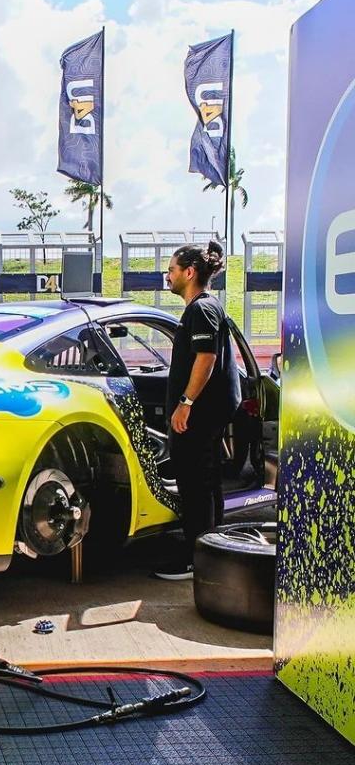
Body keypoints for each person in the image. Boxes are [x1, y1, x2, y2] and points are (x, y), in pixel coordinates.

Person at [153, 241, 241, 581]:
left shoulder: (202, 309)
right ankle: (210, 550)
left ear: (189, 273)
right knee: (205, 483)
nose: (168, 275)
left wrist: (185, 404)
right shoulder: (203, 307)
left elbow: (206, 358)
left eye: (172, 270)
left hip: (200, 414)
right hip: (204, 413)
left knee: (196, 485)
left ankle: (196, 558)